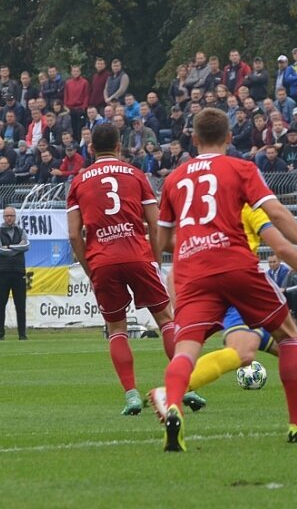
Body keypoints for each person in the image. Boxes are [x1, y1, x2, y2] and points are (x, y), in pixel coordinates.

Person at [154, 108, 297, 451]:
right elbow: (276, 213)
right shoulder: (241, 167)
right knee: (290, 337)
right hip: (235, 263)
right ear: (228, 138)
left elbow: (161, 242)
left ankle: (175, 404)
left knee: (186, 349)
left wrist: (194, 239)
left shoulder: (174, 178)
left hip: (192, 270)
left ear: (193, 139)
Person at [148, 203, 297, 433]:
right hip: (245, 291)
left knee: (295, 350)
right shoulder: (244, 206)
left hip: (234, 290)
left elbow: (174, 262)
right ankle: (171, 391)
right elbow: (281, 244)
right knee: (249, 351)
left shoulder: (201, 216)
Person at [66, 124, 185, 416]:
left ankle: (132, 395)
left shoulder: (79, 182)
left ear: (91, 149)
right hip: (136, 255)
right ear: (120, 146)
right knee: (165, 319)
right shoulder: (136, 174)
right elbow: (156, 223)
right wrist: (154, 260)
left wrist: (90, 267)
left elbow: (73, 234)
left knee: (116, 328)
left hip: (102, 261)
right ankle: (185, 387)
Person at [0, 207, 29, 340]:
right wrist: (16, 247)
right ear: (3, 217)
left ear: (15, 217)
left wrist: (8, 247)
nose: (9, 218)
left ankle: (22, 334)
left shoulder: (21, 231)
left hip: (19, 272)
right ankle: (1, 333)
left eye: (11, 216)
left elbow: (26, 246)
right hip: (3, 272)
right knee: (0, 304)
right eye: (7, 215)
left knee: (20, 305)